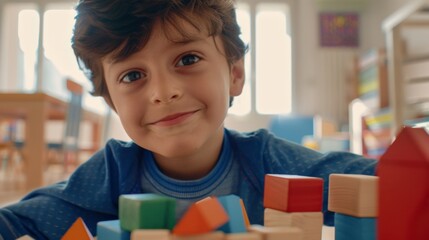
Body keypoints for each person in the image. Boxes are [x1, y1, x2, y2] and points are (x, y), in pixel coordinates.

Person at [0, 0, 377, 239]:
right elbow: (17, 224)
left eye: (187, 59)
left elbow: (382, 185)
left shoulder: (270, 162)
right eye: (133, 76)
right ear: (113, 103)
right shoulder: (110, 176)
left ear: (234, 74)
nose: (164, 92)